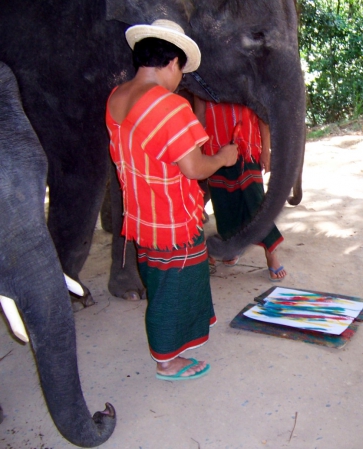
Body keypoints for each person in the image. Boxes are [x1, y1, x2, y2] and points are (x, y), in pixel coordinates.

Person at [105, 19, 238, 381]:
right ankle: (167, 360)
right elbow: (194, 168)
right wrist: (224, 158)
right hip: (173, 218)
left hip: (140, 216)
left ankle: (172, 344)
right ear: (173, 63)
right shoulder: (169, 106)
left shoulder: (116, 97)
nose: (180, 77)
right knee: (174, 289)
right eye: (181, 69)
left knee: (159, 280)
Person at [194, 99, 287, 282]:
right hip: (215, 150)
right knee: (223, 204)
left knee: (256, 201)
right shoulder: (202, 80)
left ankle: (271, 253)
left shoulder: (247, 74)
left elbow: (261, 115)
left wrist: (266, 151)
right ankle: (231, 247)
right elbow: (200, 116)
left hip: (247, 148)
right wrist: (196, 152)